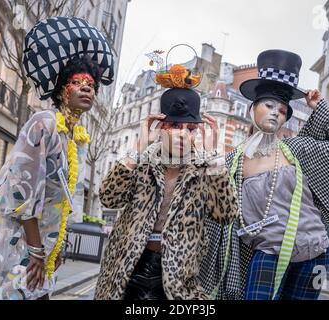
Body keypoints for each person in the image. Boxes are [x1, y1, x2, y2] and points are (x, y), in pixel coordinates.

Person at [0, 17, 114, 300]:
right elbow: (22, 193)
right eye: (77, 82)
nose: (87, 88)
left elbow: (62, 201)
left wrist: (56, 247)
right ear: (61, 91)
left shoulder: (74, 138)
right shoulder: (45, 123)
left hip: (37, 242)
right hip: (11, 236)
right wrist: (37, 252)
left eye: (92, 85)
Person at [200, 49, 329, 300]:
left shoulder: (297, 149)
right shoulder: (232, 162)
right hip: (267, 253)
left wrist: (320, 108)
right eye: (269, 105)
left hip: (314, 252)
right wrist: (209, 156)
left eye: (283, 110)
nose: (276, 112)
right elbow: (214, 205)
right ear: (252, 109)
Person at [94, 64, 238, 300]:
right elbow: (109, 198)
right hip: (127, 273)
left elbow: (226, 214)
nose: (182, 134)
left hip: (177, 283)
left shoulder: (205, 170)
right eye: (174, 126)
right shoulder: (142, 162)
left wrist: (213, 159)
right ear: (161, 127)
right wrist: (139, 147)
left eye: (190, 128)